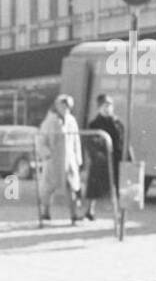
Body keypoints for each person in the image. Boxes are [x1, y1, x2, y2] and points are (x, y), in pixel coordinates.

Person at [36, 93, 83, 224]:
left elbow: (76, 140)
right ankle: (45, 212)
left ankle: (74, 214)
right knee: (48, 187)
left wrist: (78, 158)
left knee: (72, 187)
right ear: (57, 106)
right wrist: (47, 155)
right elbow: (41, 141)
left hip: (69, 159)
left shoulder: (72, 121)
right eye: (62, 105)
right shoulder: (49, 121)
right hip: (53, 160)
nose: (65, 108)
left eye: (67, 105)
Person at [83, 93, 130, 222]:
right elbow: (90, 142)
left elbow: (124, 141)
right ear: (99, 107)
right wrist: (97, 155)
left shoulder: (117, 122)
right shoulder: (94, 123)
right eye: (104, 105)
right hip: (101, 160)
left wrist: (129, 157)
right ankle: (90, 210)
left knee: (119, 187)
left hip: (117, 159)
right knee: (94, 186)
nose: (107, 108)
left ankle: (119, 213)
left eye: (109, 105)